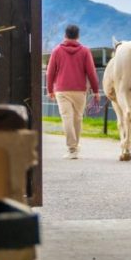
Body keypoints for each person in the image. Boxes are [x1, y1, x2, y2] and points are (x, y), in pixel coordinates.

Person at [46, 24, 101, 159]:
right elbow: (91, 72)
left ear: (65, 36)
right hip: (80, 91)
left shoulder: (57, 50)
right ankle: (75, 148)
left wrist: (49, 89)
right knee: (77, 119)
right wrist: (96, 91)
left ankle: (72, 149)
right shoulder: (85, 51)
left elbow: (50, 72)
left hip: (62, 90)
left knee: (67, 118)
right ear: (78, 36)